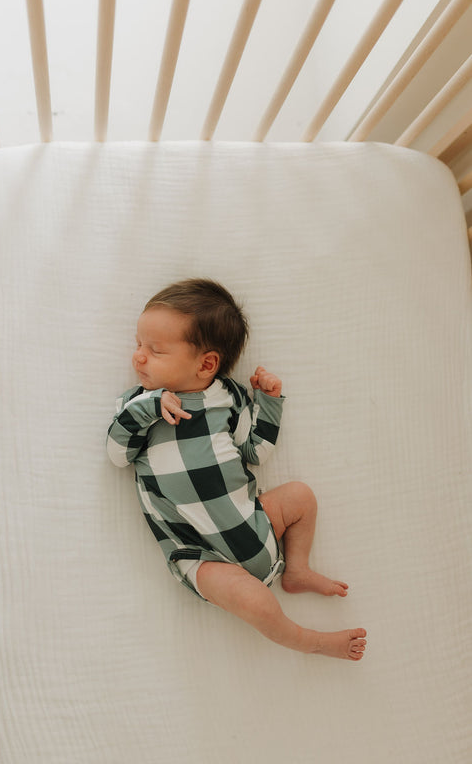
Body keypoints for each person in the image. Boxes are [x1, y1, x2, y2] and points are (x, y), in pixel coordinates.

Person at [107, 278, 367, 660]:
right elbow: (117, 454)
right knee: (256, 603)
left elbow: (255, 451)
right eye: (138, 345)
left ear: (207, 364)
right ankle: (311, 640)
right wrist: (148, 408)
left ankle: (295, 568)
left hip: (257, 521)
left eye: (155, 350)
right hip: (201, 554)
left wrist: (270, 402)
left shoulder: (227, 398)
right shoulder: (139, 405)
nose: (139, 358)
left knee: (300, 496)